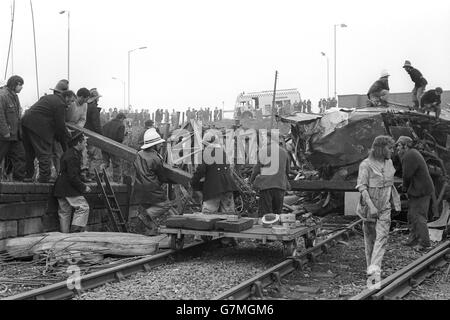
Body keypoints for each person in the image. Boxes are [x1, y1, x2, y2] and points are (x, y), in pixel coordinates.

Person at [356, 136, 400, 279]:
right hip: (369, 207)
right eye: (390, 148)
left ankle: (375, 270)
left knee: (382, 237)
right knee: (370, 240)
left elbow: (389, 184)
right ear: (381, 148)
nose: (392, 151)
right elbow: (362, 187)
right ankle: (371, 268)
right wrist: (371, 206)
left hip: (385, 207)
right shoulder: (366, 164)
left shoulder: (389, 163)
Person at [22, 83, 73, 183]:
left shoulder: (48, 98)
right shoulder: (60, 104)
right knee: (44, 152)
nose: (71, 104)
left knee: (29, 153)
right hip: (39, 127)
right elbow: (60, 125)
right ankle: (44, 177)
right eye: (71, 101)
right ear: (66, 97)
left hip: (26, 123)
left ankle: (28, 176)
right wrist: (68, 136)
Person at [132, 128, 173, 236]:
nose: (160, 146)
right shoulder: (156, 158)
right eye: (158, 144)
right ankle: (145, 216)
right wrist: (171, 179)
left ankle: (149, 232)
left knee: (147, 207)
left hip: (138, 187)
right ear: (153, 145)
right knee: (166, 204)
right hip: (151, 187)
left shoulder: (139, 154)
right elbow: (162, 177)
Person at [396, 136, 434, 251]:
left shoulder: (409, 155)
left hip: (421, 191)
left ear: (405, 145)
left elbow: (407, 175)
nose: (397, 148)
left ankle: (425, 243)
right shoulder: (411, 153)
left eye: (399, 145)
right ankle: (413, 239)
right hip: (417, 189)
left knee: (419, 216)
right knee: (412, 215)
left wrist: (404, 187)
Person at [54, 132, 91, 233]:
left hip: (60, 187)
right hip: (68, 188)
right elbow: (72, 176)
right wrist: (83, 187)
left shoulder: (68, 153)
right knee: (83, 207)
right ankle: (76, 233)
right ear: (79, 143)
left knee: (64, 213)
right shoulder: (73, 156)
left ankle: (64, 237)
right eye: (85, 142)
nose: (86, 144)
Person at [191, 134, 238, 214]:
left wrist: (193, 182)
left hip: (213, 189)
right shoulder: (223, 152)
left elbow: (201, 170)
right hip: (228, 187)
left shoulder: (207, 153)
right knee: (229, 216)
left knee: (208, 216)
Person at [250, 132, 291, 217]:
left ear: (268, 138)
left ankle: (266, 229)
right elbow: (288, 171)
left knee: (266, 214)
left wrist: (251, 180)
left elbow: (256, 169)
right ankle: (277, 229)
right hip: (280, 185)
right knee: (277, 213)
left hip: (266, 186)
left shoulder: (264, 150)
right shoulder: (284, 152)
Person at [0, 75, 27, 182]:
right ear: (14, 84)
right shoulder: (2, 96)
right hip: (5, 136)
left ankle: (19, 180)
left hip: (15, 135)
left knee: (20, 156)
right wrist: (5, 131)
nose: (21, 87)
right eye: (20, 85)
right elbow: (0, 115)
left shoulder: (14, 96)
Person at [102, 113, 126, 183]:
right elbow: (120, 138)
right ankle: (116, 181)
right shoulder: (121, 125)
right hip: (114, 147)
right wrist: (124, 136)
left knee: (105, 163)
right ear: (121, 118)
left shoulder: (107, 124)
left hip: (104, 146)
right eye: (123, 119)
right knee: (116, 165)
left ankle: (99, 174)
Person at [84, 88, 103, 178]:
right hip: (92, 135)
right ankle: (92, 174)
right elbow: (96, 124)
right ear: (95, 99)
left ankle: (85, 173)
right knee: (96, 156)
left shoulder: (85, 106)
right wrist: (101, 135)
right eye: (97, 98)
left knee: (86, 155)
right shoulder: (93, 108)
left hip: (83, 135)